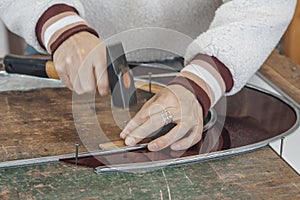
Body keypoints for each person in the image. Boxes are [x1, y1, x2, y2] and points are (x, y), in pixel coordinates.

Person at [0, 0, 296, 152]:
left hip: (201, 61)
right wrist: (60, 26)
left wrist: (201, 81)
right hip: (65, 45)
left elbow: (261, 4)